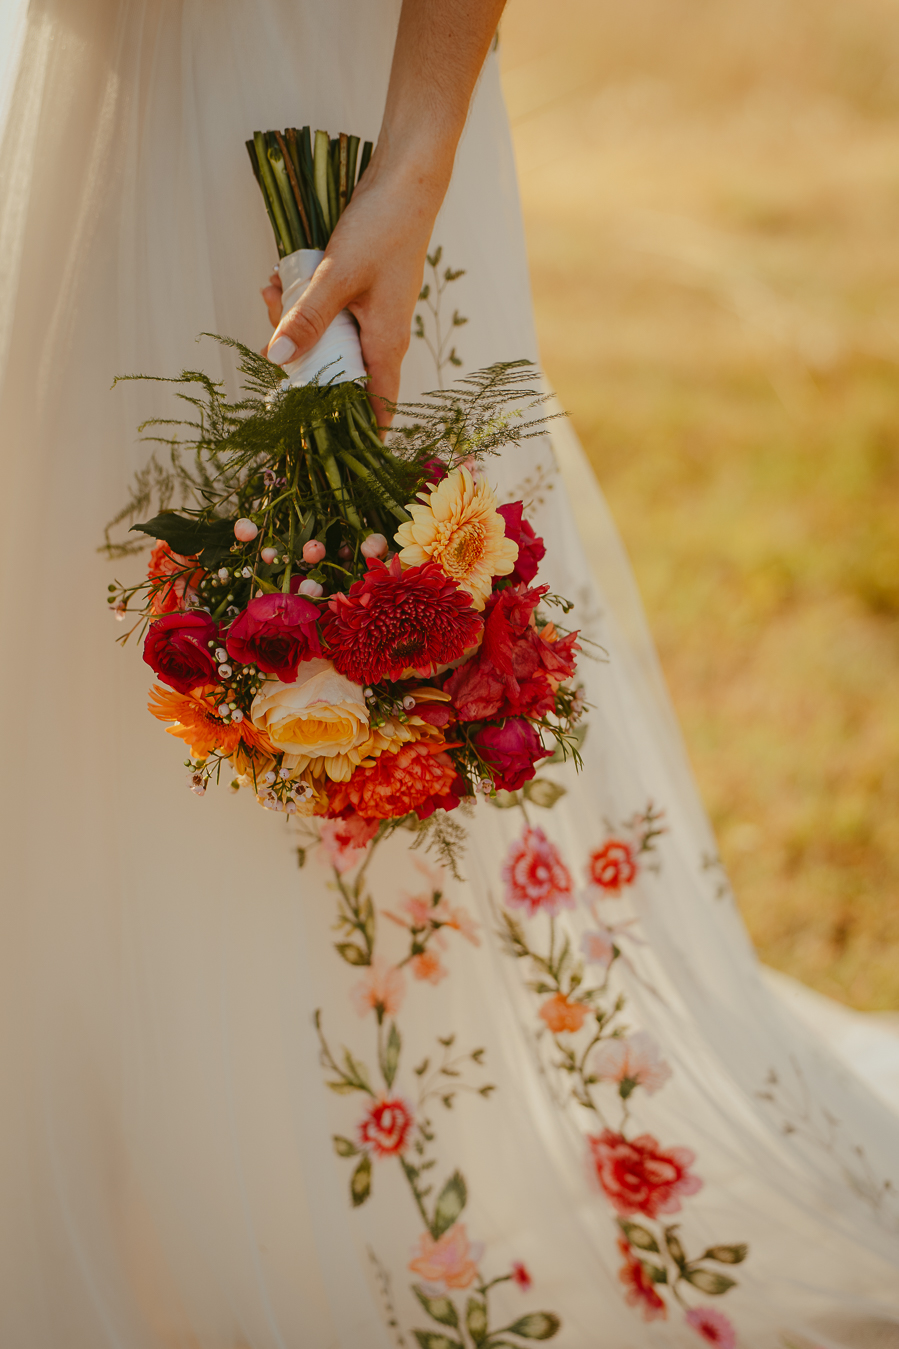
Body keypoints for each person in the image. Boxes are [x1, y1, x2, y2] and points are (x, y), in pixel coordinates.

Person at [0, 2, 897, 1347]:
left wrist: (414, 164)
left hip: (342, 96)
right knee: (64, 632)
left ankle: (334, 1171)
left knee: (394, 575)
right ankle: (114, 1146)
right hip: (89, 107)